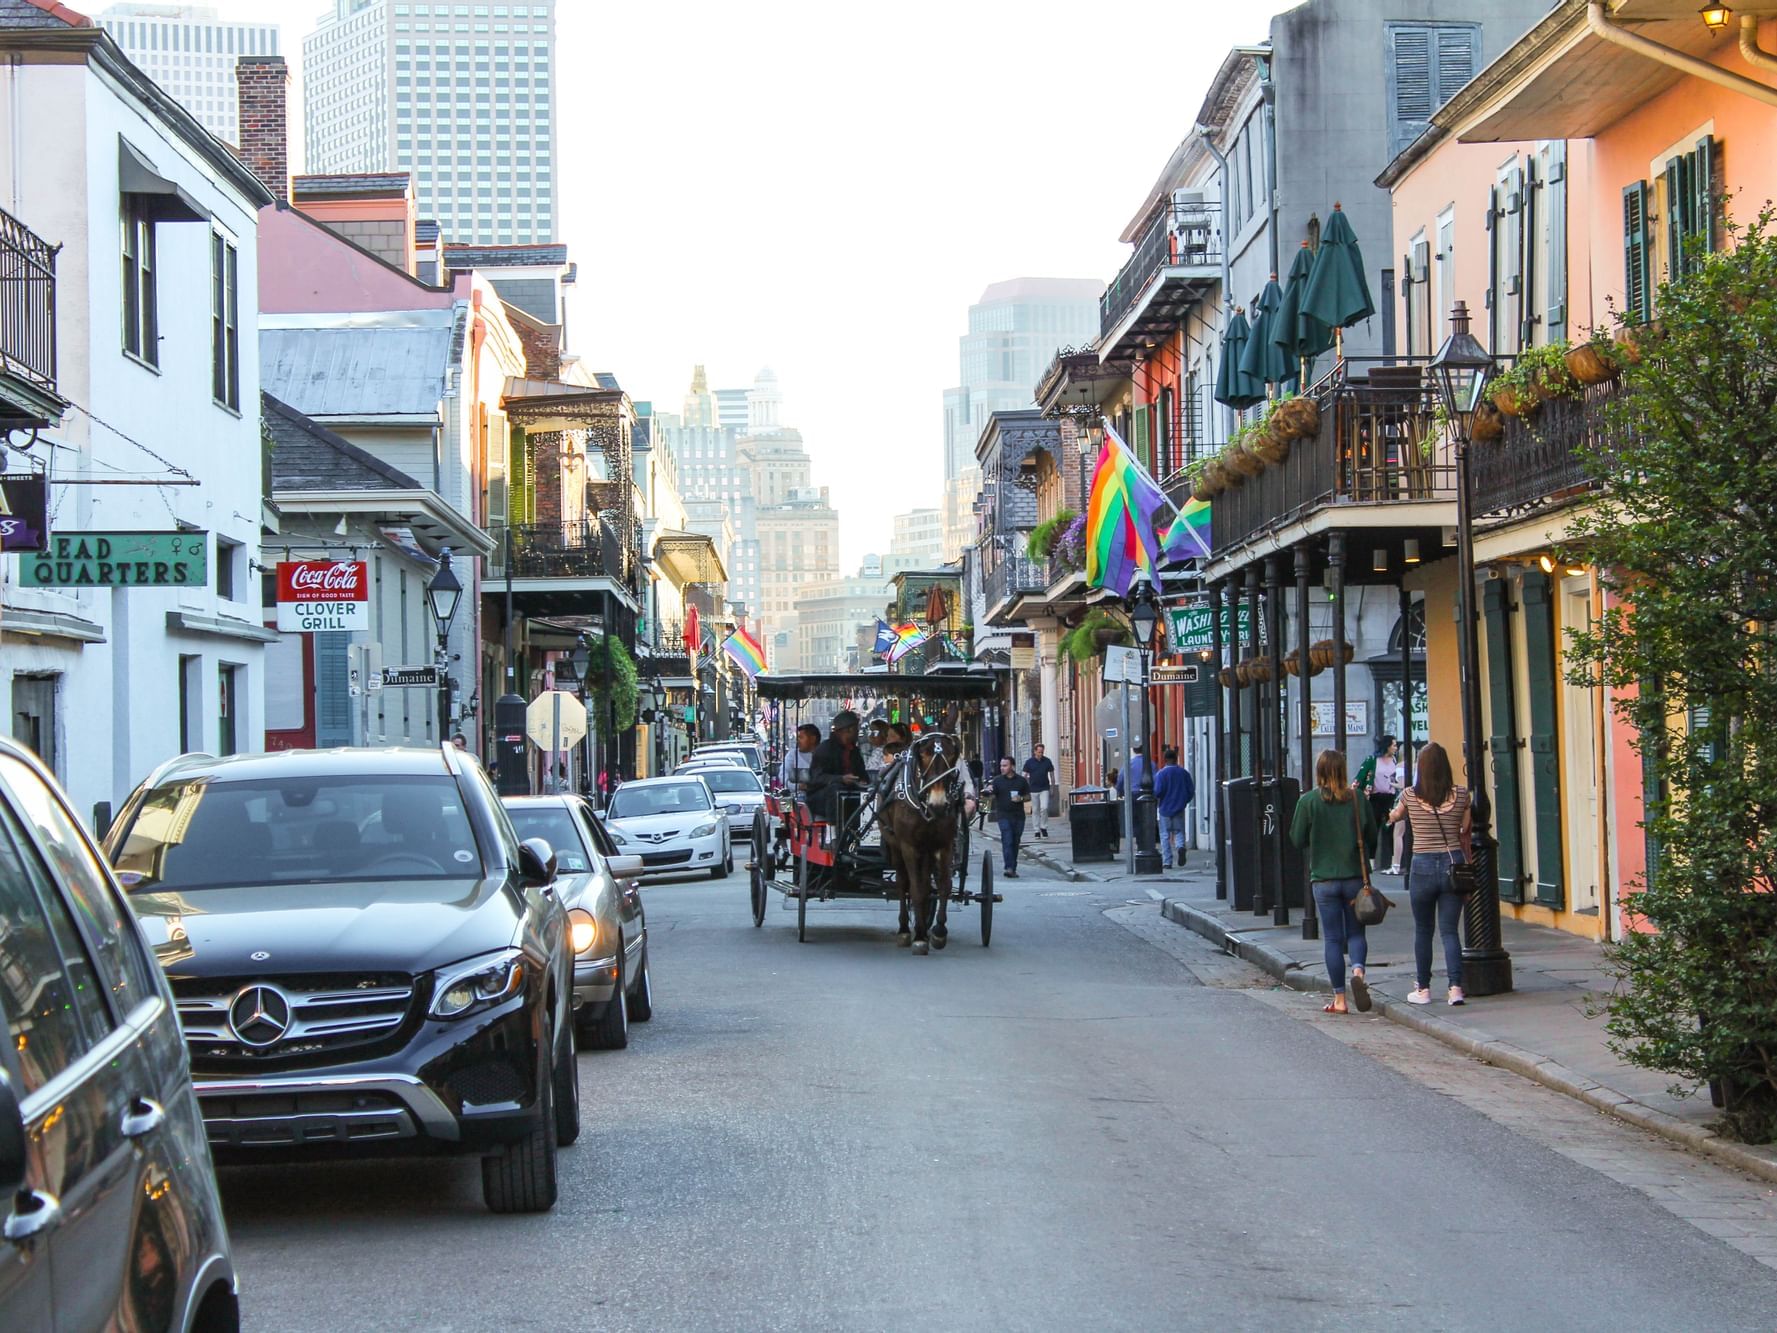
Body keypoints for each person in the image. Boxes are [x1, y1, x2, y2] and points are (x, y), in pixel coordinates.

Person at [1289, 749, 1377, 1014]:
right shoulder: (1357, 799)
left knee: (1333, 939)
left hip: (1324, 879)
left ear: (1319, 772)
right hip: (1354, 878)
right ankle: (1359, 972)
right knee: (1356, 933)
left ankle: (1339, 999)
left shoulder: (1309, 802)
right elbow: (1372, 836)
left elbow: (1296, 838)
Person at [1388, 741, 1472, 1007]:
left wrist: (1391, 814)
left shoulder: (1410, 796)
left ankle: (1423, 988)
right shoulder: (1461, 795)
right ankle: (1456, 988)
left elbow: (1395, 817)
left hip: (1422, 865)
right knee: (1450, 931)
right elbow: (1465, 827)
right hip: (1452, 864)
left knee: (1423, 930)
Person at [807, 710, 868, 823]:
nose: (858, 732)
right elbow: (816, 778)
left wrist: (862, 781)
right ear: (848, 730)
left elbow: (862, 774)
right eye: (856, 729)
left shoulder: (854, 751)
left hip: (850, 792)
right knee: (836, 790)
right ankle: (833, 832)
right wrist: (841, 779)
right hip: (821, 798)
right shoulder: (825, 749)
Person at [1356, 735, 1405, 874]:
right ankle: (1371, 862)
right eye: (1394, 745)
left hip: (1390, 798)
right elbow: (1360, 777)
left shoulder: (1395, 760)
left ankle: (1393, 862)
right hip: (1375, 798)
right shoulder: (1372, 760)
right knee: (1373, 829)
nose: (1396, 748)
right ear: (1387, 746)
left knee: (1391, 829)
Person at [1153, 746, 1195, 870]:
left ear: (1165, 760)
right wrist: (1184, 801)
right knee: (1179, 831)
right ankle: (1180, 846)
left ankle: (1167, 861)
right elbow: (1190, 790)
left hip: (1165, 808)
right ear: (1176, 759)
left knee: (1164, 835)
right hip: (1179, 807)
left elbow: (1158, 791)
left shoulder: (1161, 774)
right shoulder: (1183, 773)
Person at [989, 755, 1031, 878]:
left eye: (1005, 765)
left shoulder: (1021, 781)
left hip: (1018, 816)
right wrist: (988, 792)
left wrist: (1021, 798)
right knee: (1007, 840)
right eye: (1001, 765)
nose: (1002, 768)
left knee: (1015, 841)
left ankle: (1013, 866)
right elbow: (990, 797)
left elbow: (1028, 796)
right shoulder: (997, 781)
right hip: (1003, 815)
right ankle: (1009, 867)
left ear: (1012, 766)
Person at [1022, 744, 1056, 839]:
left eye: (1042, 752)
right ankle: (1036, 830)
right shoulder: (1029, 762)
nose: (1041, 754)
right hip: (1033, 789)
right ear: (1035, 751)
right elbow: (1024, 776)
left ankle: (1043, 827)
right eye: (1039, 752)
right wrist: (1022, 788)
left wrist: (1052, 787)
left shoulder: (1047, 761)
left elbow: (1052, 775)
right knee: (1036, 810)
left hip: (1044, 788)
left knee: (1044, 808)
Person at [779, 723, 820, 797]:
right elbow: (783, 774)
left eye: (801, 737)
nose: (797, 741)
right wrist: (797, 786)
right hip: (798, 800)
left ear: (813, 739)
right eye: (797, 738)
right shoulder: (792, 755)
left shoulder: (824, 754)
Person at [967, 755, 986, 830]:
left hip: (974, 778)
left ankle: (981, 823)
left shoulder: (970, 764)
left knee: (983, 796)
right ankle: (981, 820)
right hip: (978, 778)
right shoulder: (980, 763)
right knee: (981, 794)